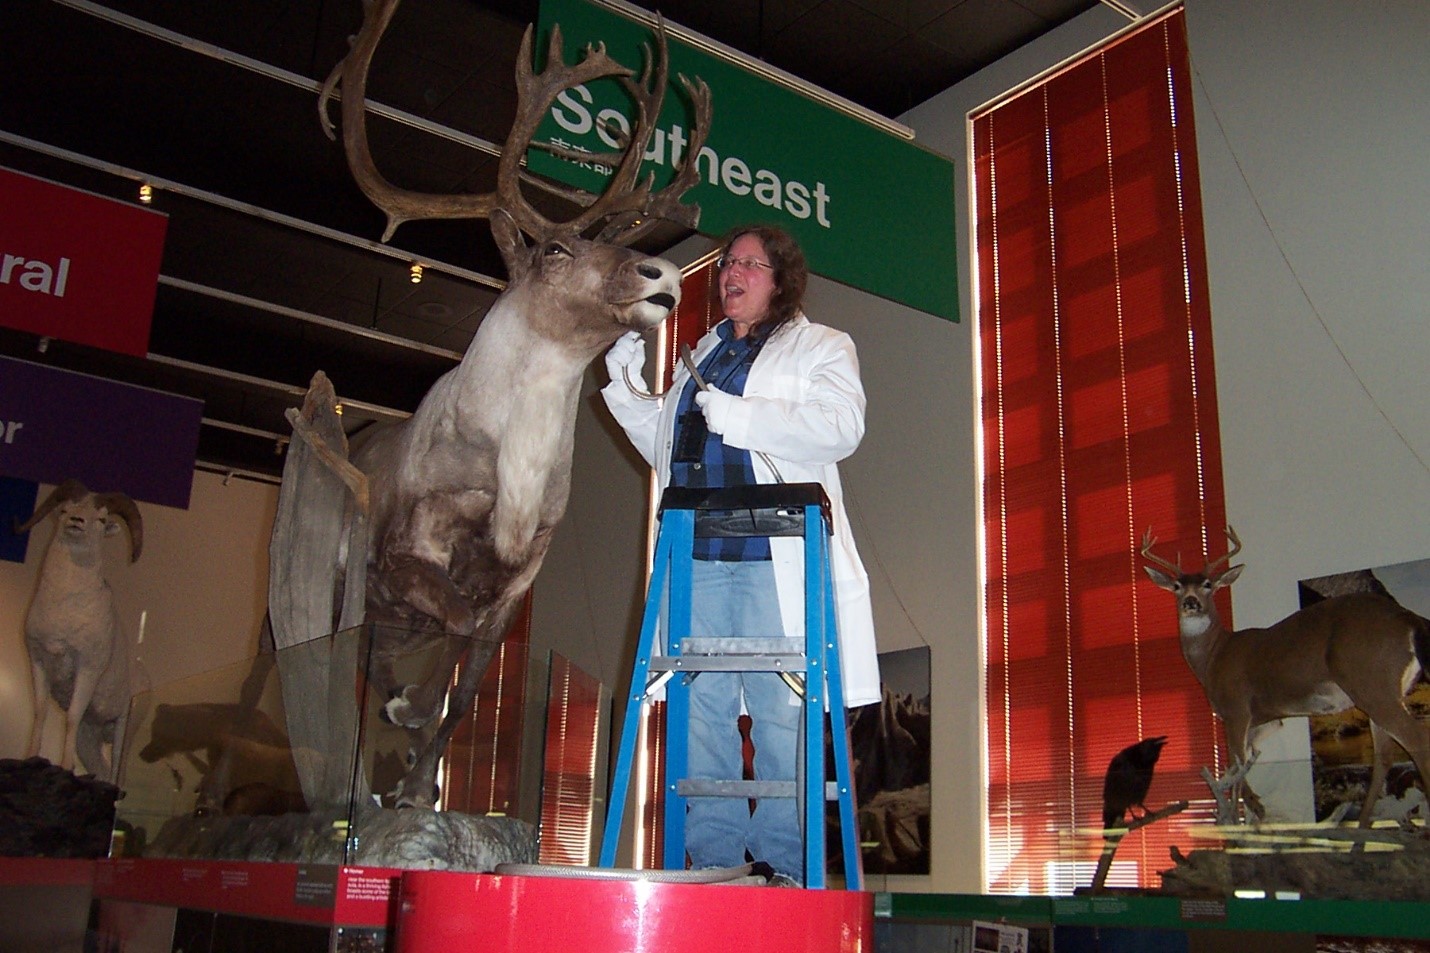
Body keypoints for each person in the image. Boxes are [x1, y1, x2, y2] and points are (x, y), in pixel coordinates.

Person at [601, 224, 879, 886]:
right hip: (696, 557)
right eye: (728, 261)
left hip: (772, 558)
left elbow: (842, 427)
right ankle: (717, 863)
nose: (732, 270)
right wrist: (626, 392)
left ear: (780, 279)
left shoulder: (822, 347)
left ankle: (782, 866)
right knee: (702, 714)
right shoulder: (707, 351)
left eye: (750, 263)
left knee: (782, 713)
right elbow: (672, 453)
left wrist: (744, 417)